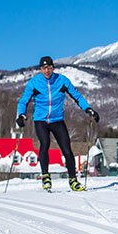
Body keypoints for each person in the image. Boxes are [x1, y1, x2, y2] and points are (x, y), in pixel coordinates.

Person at [16, 56, 100, 191]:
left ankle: (73, 181)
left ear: (53, 68)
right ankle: (46, 177)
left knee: (67, 149)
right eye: (44, 68)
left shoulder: (62, 81)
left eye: (49, 67)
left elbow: (77, 96)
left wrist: (88, 109)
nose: (47, 71)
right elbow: (23, 101)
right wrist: (21, 114)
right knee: (45, 144)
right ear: (40, 69)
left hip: (57, 120)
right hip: (40, 120)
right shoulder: (34, 82)